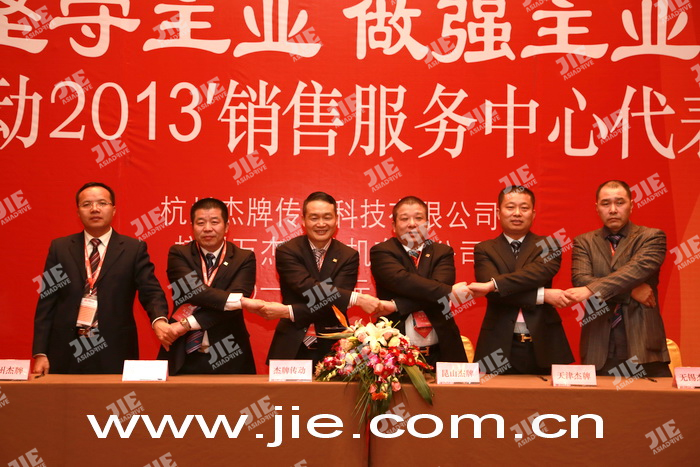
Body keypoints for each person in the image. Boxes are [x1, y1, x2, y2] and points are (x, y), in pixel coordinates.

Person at [32, 182, 170, 374]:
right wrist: (40, 352)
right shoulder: (60, 248)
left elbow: (151, 291)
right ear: (78, 212)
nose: (95, 209)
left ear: (113, 210)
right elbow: (47, 302)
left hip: (115, 348)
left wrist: (159, 319)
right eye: (86, 204)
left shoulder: (133, 249)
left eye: (102, 203)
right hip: (65, 349)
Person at [265, 192, 383, 365]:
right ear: (303, 221)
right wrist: (355, 298)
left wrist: (289, 311)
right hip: (291, 345)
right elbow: (306, 287)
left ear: (336, 220)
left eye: (327, 217)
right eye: (314, 218)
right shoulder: (287, 251)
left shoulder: (348, 255)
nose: (321, 224)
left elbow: (335, 305)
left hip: (335, 345)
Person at [567, 180, 670, 377]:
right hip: (598, 346)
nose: (613, 209)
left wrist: (591, 289)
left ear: (632, 205)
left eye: (620, 202)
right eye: (606, 203)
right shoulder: (584, 241)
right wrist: (630, 291)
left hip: (644, 344)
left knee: (656, 397)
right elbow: (580, 279)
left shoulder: (651, 237)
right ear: (597, 208)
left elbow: (636, 270)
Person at [468, 186, 574, 374]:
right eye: (510, 207)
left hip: (545, 341)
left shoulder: (549, 244)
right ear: (498, 213)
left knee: (547, 394)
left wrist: (495, 285)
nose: (517, 213)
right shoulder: (484, 249)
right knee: (495, 394)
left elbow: (536, 274)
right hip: (497, 344)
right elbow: (493, 294)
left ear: (533, 214)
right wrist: (542, 296)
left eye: (524, 208)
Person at [158, 198, 264, 375]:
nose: (207, 228)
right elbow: (193, 292)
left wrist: (185, 324)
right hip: (181, 351)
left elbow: (234, 306)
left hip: (229, 352)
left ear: (226, 226)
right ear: (192, 226)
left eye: (214, 222)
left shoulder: (243, 258)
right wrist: (237, 301)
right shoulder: (179, 254)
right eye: (201, 223)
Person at [370, 196, 469, 366]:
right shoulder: (382, 251)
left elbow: (438, 289)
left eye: (418, 218)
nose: (412, 224)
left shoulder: (443, 252)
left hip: (442, 350)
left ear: (427, 224)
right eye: (404, 218)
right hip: (393, 354)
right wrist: (448, 292)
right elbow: (403, 282)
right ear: (393, 226)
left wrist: (396, 305)